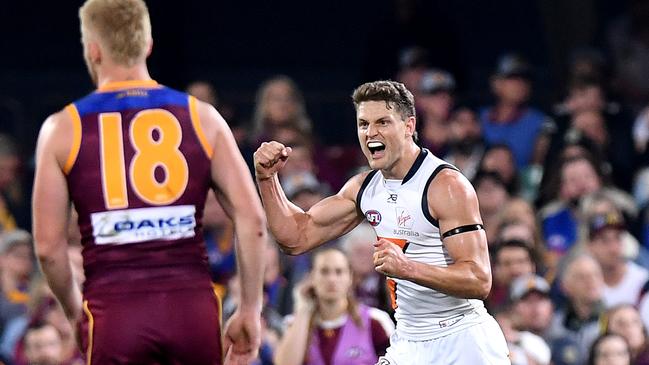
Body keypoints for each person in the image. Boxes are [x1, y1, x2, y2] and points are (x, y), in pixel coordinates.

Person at [31, 0, 267, 364]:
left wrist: (75, 311)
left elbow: (48, 247)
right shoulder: (202, 117)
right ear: (148, 45)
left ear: (92, 50)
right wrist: (251, 308)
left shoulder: (62, 128)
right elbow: (252, 221)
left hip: (114, 310)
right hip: (192, 308)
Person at [254, 80, 509, 364]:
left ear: (409, 126)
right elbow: (295, 238)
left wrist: (407, 268)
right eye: (363, 124)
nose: (370, 133)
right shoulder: (364, 188)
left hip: (463, 340)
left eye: (382, 122)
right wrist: (267, 179)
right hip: (409, 340)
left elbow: (478, 279)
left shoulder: (445, 185)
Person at [274, 248, 394, 365]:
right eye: (324, 271)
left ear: (350, 277)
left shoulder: (375, 320)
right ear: (311, 277)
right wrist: (303, 310)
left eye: (339, 271)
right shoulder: (294, 323)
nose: (332, 279)